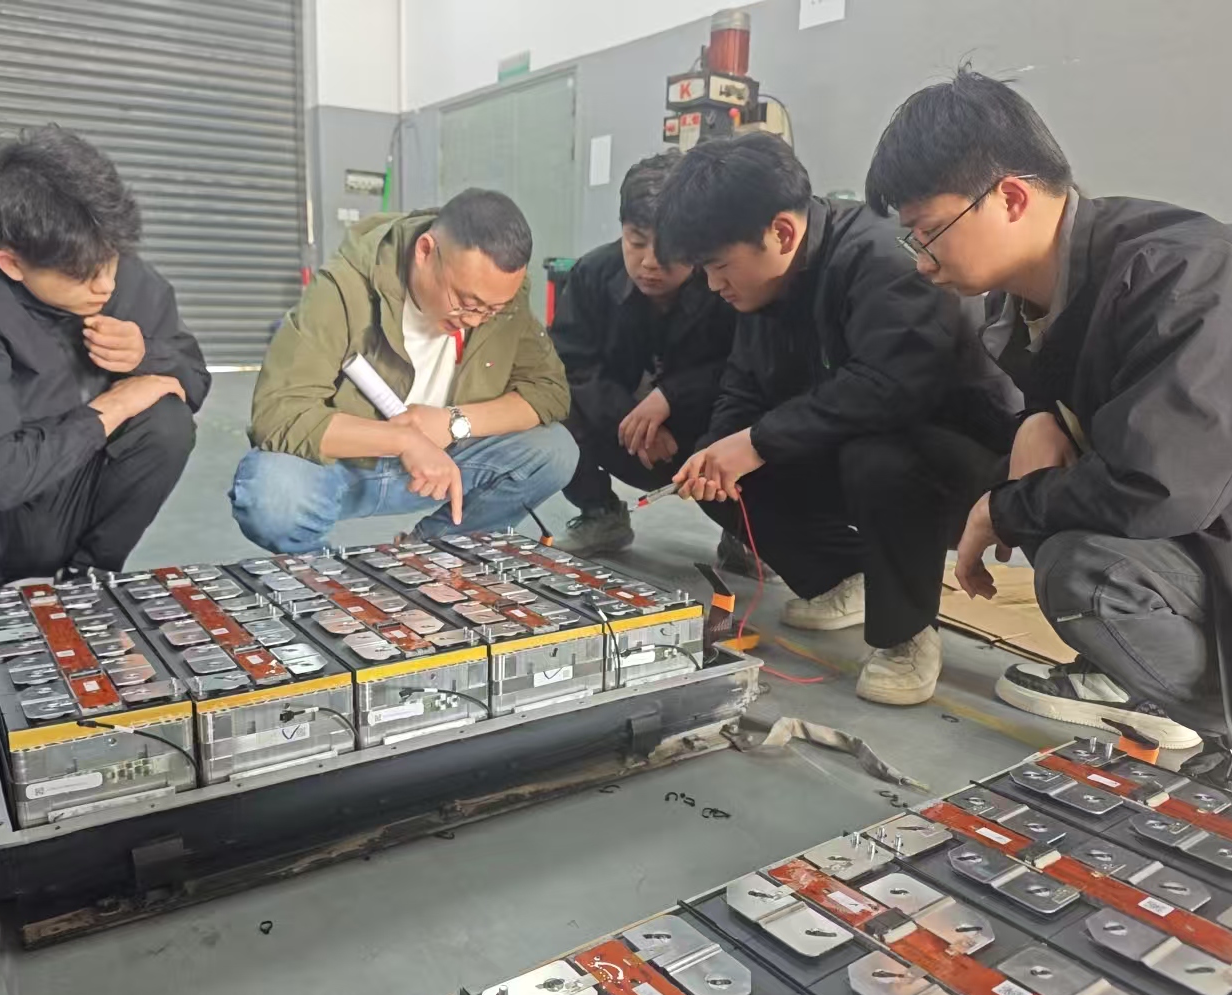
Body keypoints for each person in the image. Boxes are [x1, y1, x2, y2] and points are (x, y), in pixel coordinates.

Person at [866, 68, 1232, 766]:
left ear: (1010, 198)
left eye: (927, 232)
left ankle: (1231, 730)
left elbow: (1160, 486)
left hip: (1228, 525)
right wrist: (1040, 417)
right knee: (944, 466)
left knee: (1087, 572)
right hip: (1204, 519)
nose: (921, 262)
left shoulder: (1181, 274)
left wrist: (1004, 508)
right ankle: (1131, 678)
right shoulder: (1016, 302)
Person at [658, 131, 1016, 707]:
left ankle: (905, 635)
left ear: (781, 232)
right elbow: (744, 382)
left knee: (877, 459)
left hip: (964, 460)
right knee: (721, 469)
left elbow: (890, 387)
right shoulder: (767, 285)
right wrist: (720, 450)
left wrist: (757, 441)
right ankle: (849, 578)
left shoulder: (883, 258)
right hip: (857, 443)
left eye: (720, 266)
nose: (713, 284)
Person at [0, 126, 209, 589]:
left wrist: (146, 354)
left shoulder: (127, 275)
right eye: (81, 275)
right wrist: (116, 404)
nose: (105, 286)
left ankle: (88, 577)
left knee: (168, 421)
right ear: (12, 264)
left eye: (110, 261)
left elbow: (192, 377)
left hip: (74, 494)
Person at [231, 189, 577, 552]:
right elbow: (279, 413)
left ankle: (432, 552)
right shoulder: (345, 288)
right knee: (274, 496)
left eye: (491, 310)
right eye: (466, 303)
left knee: (555, 451)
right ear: (425, 251)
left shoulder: (500, 297)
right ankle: (326, 574)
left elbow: (548, 390)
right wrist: (403, 440)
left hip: (444, 461)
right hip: (342, 466)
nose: (475, 320)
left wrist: (453, 422)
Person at [551, 151, 755, 572]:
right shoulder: (592, 275)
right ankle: (600, 512)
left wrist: (672, 397)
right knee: (549, 404)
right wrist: (633, 422)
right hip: (622, 434)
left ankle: (743, 531)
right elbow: (573, 364)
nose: (650, 262)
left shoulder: (726, 285)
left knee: (758, 417)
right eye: (636, 241)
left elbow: (747, 366)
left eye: (670, 248)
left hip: (702, 434)